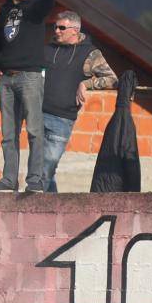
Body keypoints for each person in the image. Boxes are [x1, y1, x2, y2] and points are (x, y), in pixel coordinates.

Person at [0, 0, 63, 194]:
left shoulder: (34, 7)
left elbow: (46, 4)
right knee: (8, 133)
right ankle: (9, 180)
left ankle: (35, 181)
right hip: (6, 79)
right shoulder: (3, 11)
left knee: (34, 130)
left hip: (29, 76)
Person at [40, 11, 117, 191]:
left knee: (46, 168)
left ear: (74, 30)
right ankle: (50, 212)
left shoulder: (90, 53)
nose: (56, 31)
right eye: (55, 27)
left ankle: (34, 209)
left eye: (61, 28)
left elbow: (113, 79)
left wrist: (86, 83)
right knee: (40, 168)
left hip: (61, 120)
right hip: (38, 115)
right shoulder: (48, 49)